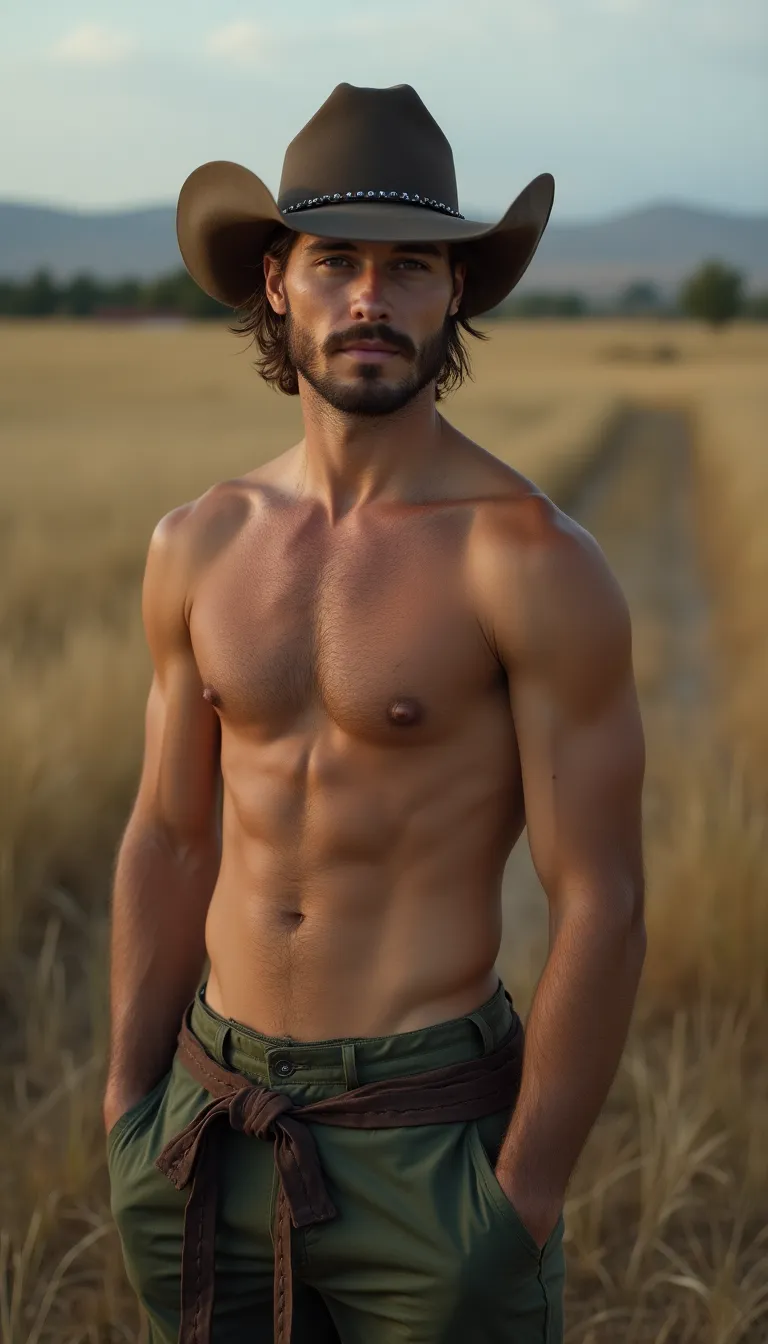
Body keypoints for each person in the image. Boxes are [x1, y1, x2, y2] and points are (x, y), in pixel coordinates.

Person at [104, 83, 646, 1344]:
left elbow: (603, 898)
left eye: (409, 265)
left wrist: (521, 1197)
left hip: (429, 1142)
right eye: (335, 260)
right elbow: (169, 837)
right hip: (208, 1123)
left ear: (454, 293)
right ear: (276, 284)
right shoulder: (199, 542)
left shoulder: (528, 560)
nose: (369, 296)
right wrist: (129, 1104)